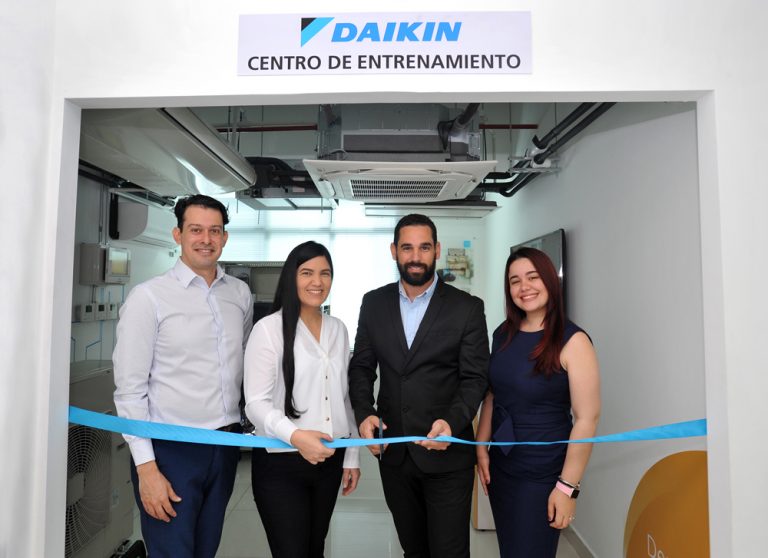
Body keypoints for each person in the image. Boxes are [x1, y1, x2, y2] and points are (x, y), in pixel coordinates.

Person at [113, 194, 253, 557]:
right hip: (170, 449)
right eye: (196, 230)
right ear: (178, 235)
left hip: (224, 445)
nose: (206, 239)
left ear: (224, 237)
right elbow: (129, 390)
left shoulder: (239, 294)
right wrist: (146, 468)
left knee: (206, 549)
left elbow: (243, 362)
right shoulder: (148, 298)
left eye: (214, 231)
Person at [348, 214, 489, 558]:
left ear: (437, 250)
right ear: (394, 251)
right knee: (413, 549)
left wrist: (453, 422)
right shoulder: (373, 303)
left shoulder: (467, 308)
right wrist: (364, 413)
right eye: (407, 248)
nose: (415, 257)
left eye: (424, 247)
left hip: (448, 456)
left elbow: (474, 378)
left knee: (449, 552)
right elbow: (361, 367)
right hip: (394, 455)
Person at [476, 247, 601, 558]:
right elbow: (492, 395)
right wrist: (481, 448)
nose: (524, 287)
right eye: (515, 281)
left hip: (543, 474)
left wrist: (567, 488)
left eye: (533, 277)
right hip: (503, 467)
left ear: (549, 281)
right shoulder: (502, 334)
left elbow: (587, 418)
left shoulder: (573, 341)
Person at [244, 241, 360, 558]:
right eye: (307, 272)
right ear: (291, 277)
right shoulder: (268, 330)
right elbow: (255, 404)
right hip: (281, 461)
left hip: (329, 459)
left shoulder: (338, 329)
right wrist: (296, 436)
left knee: (315, 548)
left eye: (325, 273)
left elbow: (343, 397)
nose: (317, 282)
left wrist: (351, 456)